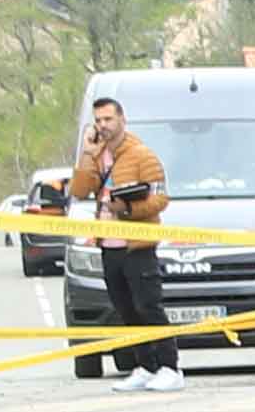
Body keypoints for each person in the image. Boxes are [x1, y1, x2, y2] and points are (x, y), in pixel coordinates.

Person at [70, 96, 181, 392]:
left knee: (148, 306)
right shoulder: (96, 155)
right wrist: (86, 153)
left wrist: (128, 210)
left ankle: (170, 366)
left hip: (138, 245)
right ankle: (144, 365)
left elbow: (161, 199)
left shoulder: (141, 155)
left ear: (122, 120)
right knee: (125, 309)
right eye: (98, 121)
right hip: (109, 245)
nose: (103, 126)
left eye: (108, 119)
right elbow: (79, 190)